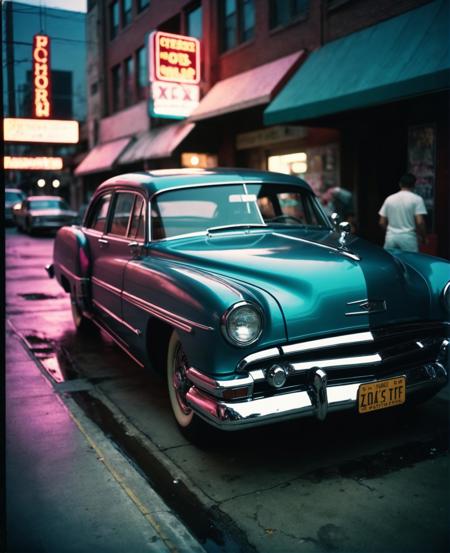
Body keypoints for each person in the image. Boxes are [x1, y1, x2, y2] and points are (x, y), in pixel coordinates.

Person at [378, 173, 428, 252]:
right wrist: (424, 237)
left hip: (391, 238)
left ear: (400, 184)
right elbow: (420, 222)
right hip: (408, 238)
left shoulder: (389, 199)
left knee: (390, 262)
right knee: (410, 263)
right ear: (414, 185)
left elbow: (381, 222)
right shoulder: (417, 199)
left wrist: (390, 232)